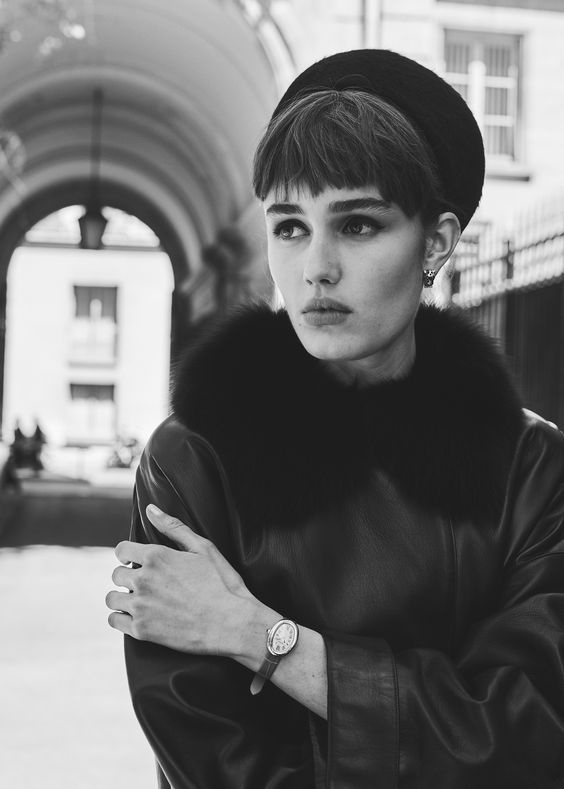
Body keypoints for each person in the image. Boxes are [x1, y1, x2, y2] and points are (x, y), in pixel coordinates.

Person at [106, 49, 564, 788]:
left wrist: (265, 639)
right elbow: (213, 760)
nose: (316, 266)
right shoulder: (193, 460)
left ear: (437, 243)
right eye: (290, 226)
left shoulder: (533, 468)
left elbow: (532, 733)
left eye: (356, 225)